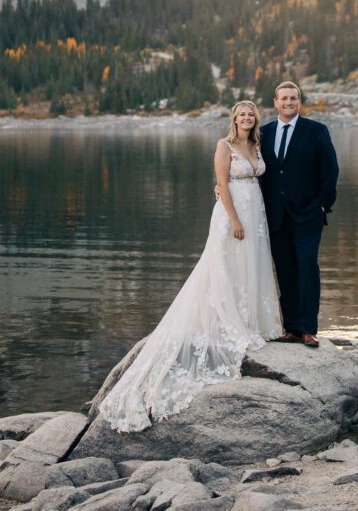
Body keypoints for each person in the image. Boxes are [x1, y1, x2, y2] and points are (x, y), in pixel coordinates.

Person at [96, 101, 282, 433]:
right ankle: (225, 319)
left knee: (249, 267)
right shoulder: (223, 146)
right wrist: (235, 219)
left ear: (255, 120)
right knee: (224, 266)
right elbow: (223, 185)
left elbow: (258, 179)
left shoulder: (256, 145)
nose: (246, 118)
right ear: (234, 119)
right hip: (232, 213)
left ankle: (249, 318)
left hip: (257, 213)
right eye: (241, 114)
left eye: (251, 114)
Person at [258, 81, 338, 347]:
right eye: (284, 98)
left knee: (307, 269)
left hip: (308, 215)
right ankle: (291, 327)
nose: (288, 102)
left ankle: (308, 329)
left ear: (299, 102)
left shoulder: (316, 131)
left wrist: (322, 205)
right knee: (285, 271)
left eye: (293, 98)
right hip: (276, 217)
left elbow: (330, 171)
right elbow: (253, 167)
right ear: (276, 102)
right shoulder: (264, 132)